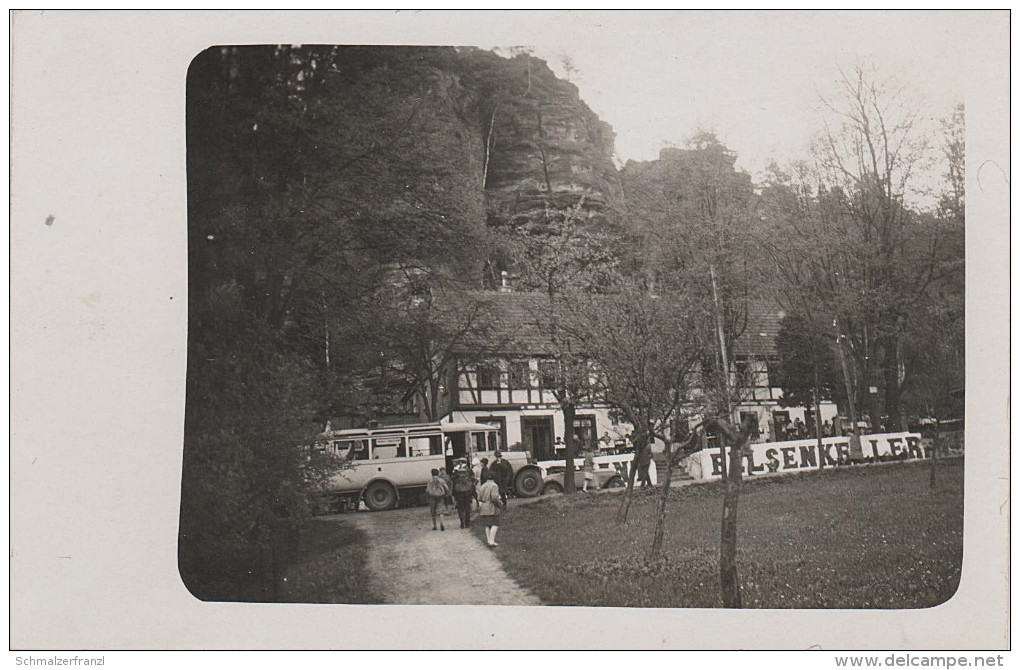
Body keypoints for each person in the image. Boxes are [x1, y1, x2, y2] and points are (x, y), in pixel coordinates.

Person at [477, 475, 504, 547]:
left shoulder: (482, 486)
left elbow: (478, 497)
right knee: (495, 523)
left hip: (483, 506)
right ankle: (492, 541)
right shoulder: (494, 485)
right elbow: (494, 497)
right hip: (491, 506)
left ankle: (488, 541)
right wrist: (500, 503)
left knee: (487, 525)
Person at [451, 458, 477, 529]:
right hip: (468, 492)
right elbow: (473, 480)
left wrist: (454, 493)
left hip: (459, 492)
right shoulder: (468, 470)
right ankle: (467, 523)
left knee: (460, 508)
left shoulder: (456, 471)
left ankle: (462, 522)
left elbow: (452, 481)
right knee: (467, 507)